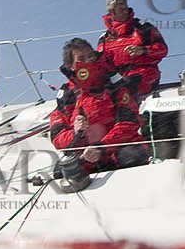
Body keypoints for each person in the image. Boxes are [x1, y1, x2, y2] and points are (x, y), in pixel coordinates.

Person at [48, 38, 145, 178]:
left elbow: (128, 123)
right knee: (62, 171)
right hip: (86, 154)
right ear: (71, 66)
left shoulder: (114, 84)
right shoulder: (67, 96)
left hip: (119, 147)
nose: (88, 61)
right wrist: (75, 133)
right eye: (81, 58)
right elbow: (57, 136)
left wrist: (101, 147)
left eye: (90, 56)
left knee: (132, 156)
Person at [97, 0, 168, 98]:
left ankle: (127, 110)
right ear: (112, 11)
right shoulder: (105, 38)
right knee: (97, 93)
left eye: (125, 7)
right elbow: (100, 64)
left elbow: (162, 49)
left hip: (144, 73)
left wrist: (143, 50)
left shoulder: (143, 28)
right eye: (120, 8)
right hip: (117, 77)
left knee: (124, 88)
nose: (125, 11)